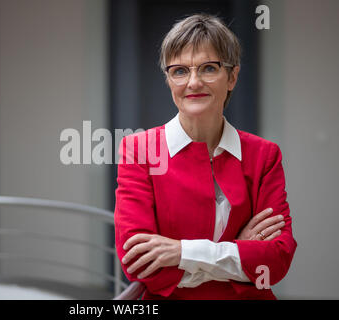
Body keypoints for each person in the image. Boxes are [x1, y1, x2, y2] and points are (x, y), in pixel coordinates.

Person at [114, 13, 297, 300]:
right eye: (179, 71)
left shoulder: (264, 155)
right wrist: (238, 250)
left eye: (208, 68)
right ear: (169, 79)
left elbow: (275, 262)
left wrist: (181, 252)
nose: (194, 82)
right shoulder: (139, 150)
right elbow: (138, 263)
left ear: (232, 77)